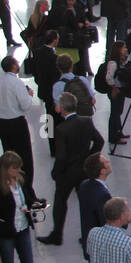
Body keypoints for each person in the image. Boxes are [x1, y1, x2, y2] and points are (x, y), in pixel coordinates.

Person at [43, 92, 104, 245]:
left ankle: (57, 235)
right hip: (83, 171)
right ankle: (89, 236)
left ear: (62, 108)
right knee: (86, 202)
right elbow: (99, 141)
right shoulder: (86, 121)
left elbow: (61, 156)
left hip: (67, 172)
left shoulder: (62, 129)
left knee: (60, 201)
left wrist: (56, 172)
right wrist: (88, 160)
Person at [0, 55, 40, 202]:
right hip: (17, 123)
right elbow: (26, 105)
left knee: (9, 158)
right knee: (25, 160)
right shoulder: (16, 82)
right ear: (13, 66)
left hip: (2, 124)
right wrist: (29, 95)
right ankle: (28, 195)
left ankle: (12, 190)